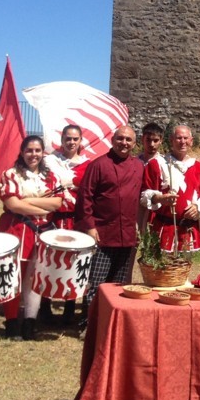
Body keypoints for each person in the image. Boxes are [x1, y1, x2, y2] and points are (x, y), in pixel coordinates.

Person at [75, 126, 144, 327]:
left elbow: (143, 195)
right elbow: (85, 198)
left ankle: (113, 323)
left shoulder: (138, 166)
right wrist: (89, 226)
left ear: (134, 143)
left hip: (127, 234)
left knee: (119, 284)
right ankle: (88, 322)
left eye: (128, 140)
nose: (124, 143)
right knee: (96, 283)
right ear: (113, 140)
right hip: (102, 233)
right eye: (120, 139)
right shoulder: (98, 165)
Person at [0, 135, 64, 340]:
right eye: (29, 150)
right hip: (18, 228)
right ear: (22, 152)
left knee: (35, 278)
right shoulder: (11, 174)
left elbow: (57, 204)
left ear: (43, 152)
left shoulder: (51, 176)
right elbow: (13, 205)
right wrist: (39, 203)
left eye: (37, 150)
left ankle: (29, 322)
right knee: (15, 277)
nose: (33, 154)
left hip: (43, 231)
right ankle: (11, 323)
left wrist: (26, 199)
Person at [39, 124, 88, 325]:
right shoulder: (49, 161)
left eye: (75, 139)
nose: (71, 142)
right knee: (48, 261)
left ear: (80, 141)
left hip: (75, 219)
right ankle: (45, 305)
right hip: (52, 217)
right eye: (68, 138)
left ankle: (69, 306)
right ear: (62, 140)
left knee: (73, 262)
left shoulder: (87, 164)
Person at [142, 125, 200, 253]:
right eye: (179, 138)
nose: (182, 141)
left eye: (186, 138)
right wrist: (159, 198)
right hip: (163, 228)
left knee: (183, 270)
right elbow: (145, 193)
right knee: (162, 271)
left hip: (187, 230)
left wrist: (197, 207)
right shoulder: (156, 164)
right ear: (171, 140)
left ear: (191, 141)